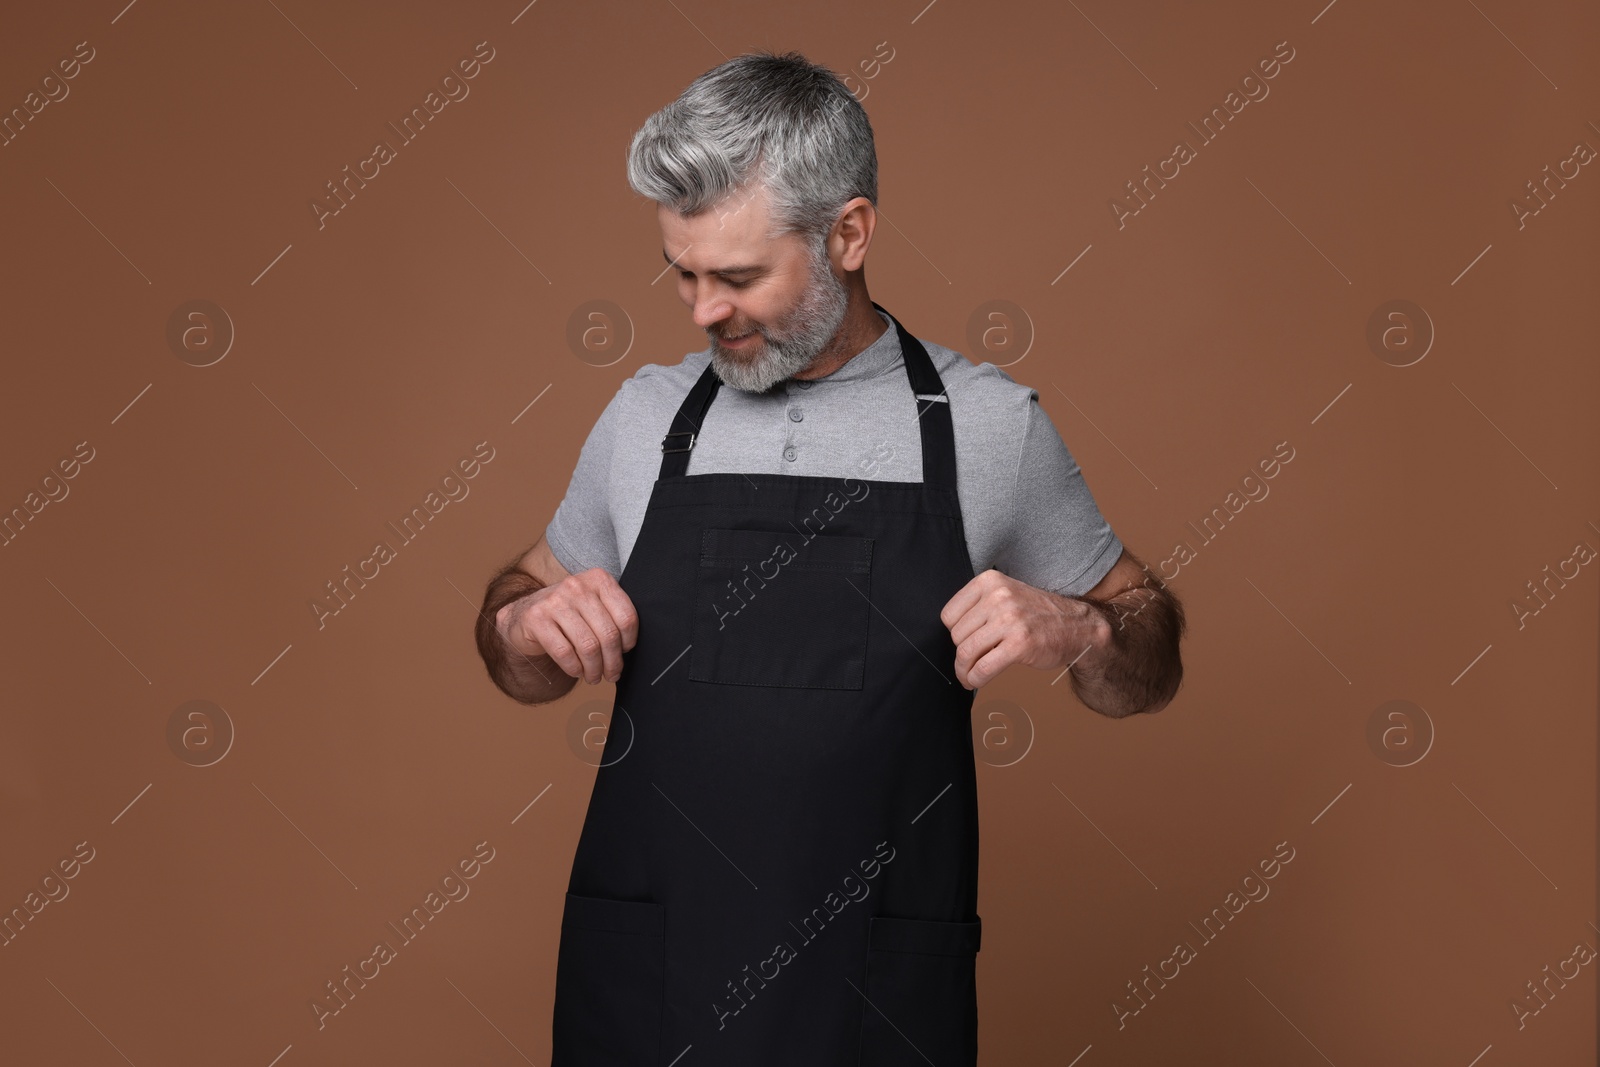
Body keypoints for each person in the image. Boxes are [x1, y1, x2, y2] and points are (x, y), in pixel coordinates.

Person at [474, 50, 1185, 1066]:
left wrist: (1083, 626)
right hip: (651, 985)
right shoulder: (643, 418)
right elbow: (515, 635)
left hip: (870, 991)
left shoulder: (988, 428)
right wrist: (522, 624)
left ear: (849, 233)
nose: (701, 311)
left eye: (738, 276)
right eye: (682, 273)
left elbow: (1146, 664)